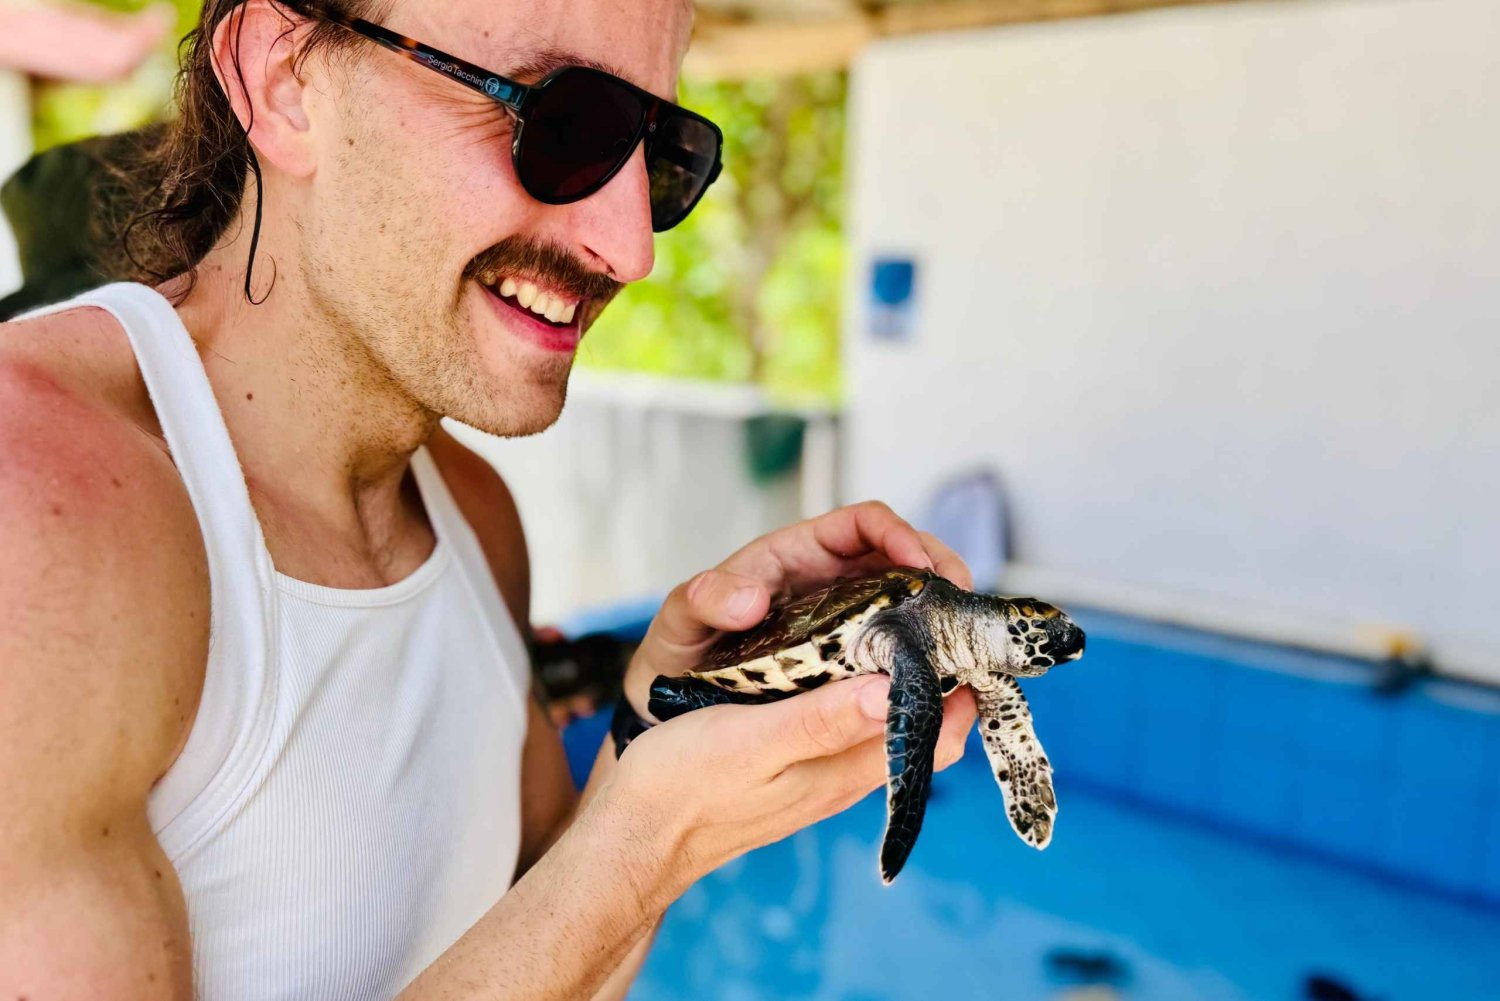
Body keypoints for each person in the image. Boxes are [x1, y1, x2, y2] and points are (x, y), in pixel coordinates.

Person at [0, 1, 977, 997]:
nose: (632, 247)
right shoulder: (32, 510)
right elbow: (605, 880)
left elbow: (548, 946)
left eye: (662, 150)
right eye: (565, 124)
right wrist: (653, 843)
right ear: (283, 78)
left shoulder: (471, 510)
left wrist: (660, 719)